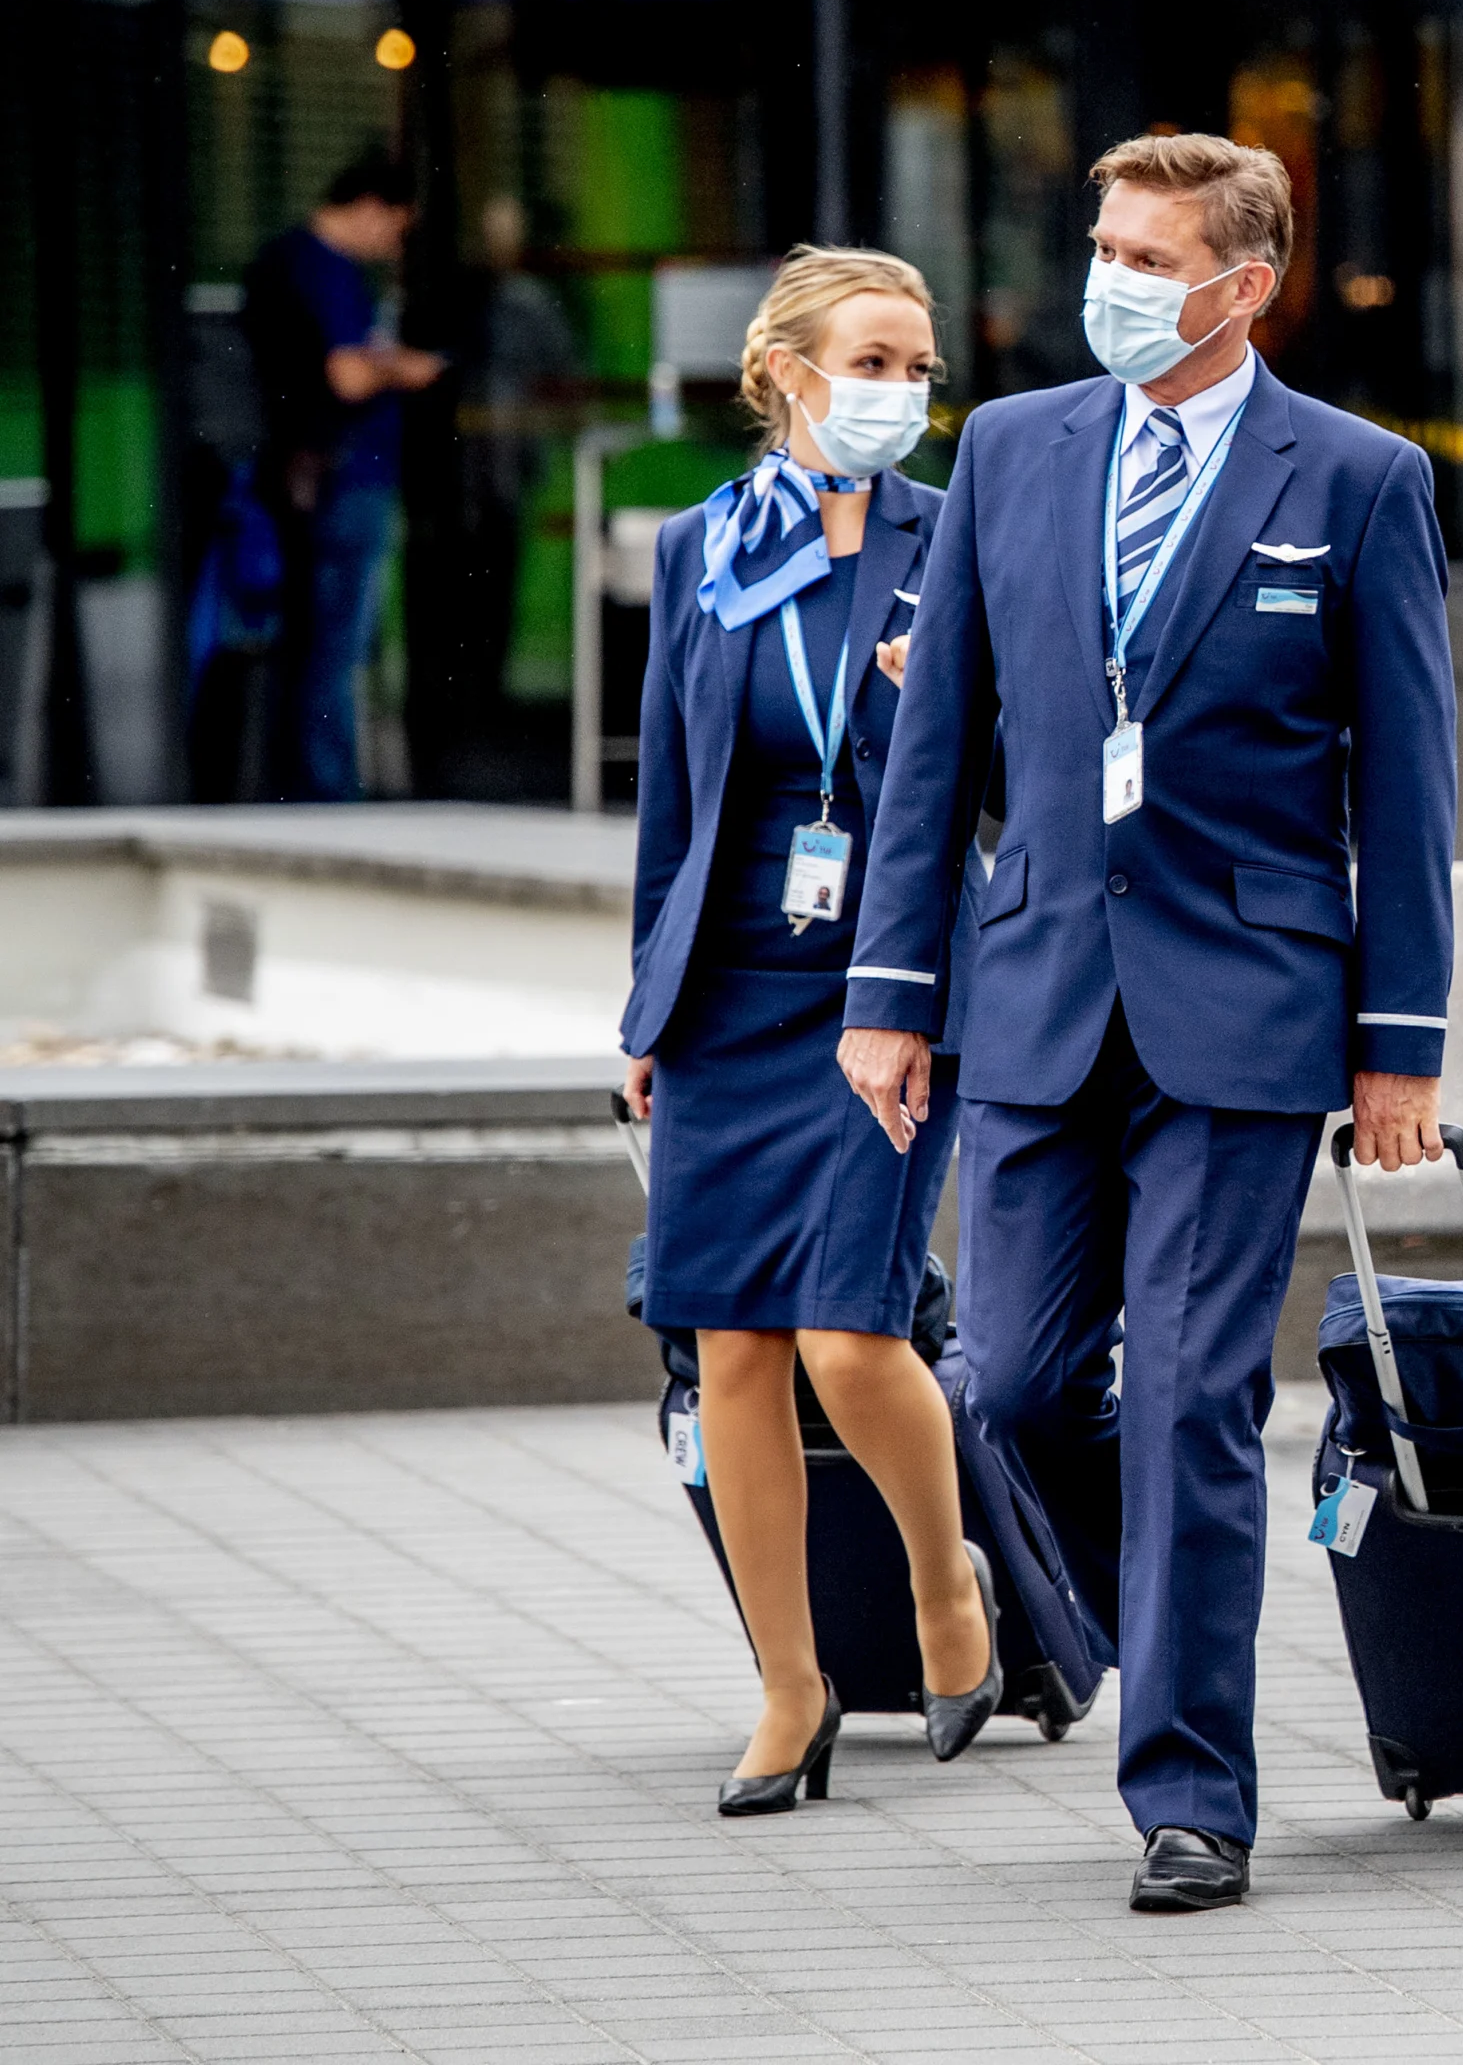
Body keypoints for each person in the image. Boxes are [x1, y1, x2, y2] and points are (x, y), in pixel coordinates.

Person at [840, 133, 1457, 1914]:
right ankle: (1153, 1606)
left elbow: (1407, 787)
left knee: (1191, 1394)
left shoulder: (1356, 478)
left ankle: (1193, 1790)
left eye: (1149, 253)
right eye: (1102, 242)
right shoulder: (1013, 455)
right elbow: (935, 753)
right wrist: (893, 998)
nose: (1110, 276)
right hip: (1033, 996)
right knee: (1018, 1388)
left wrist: (1399, 1047)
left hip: (1249, 1010)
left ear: (1244, 285)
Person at [622, 248, 994, 1811]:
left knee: (852, 1333)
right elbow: (669, 792)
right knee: (734, 1353)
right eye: (872, 360)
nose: (899, 393)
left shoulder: (961, 536)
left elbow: (1025, 777)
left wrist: (941, 702)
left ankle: (948, 1588)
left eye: (918, 365)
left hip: (889, 988)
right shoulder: (703, 549)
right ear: (785, 373)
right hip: (731, 994)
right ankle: (791, 1689)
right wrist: (645, 1006)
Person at [241, 149, 447, 801]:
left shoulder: (287, 261)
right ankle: (330, 795)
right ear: (367, 207)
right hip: (344, 477)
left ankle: (313, 785)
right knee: (334, 649)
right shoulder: (323, 270)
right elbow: (349, 374)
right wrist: (406, 369)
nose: (393, 245)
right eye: (394, 226)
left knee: (318, 645)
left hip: (312, 477)